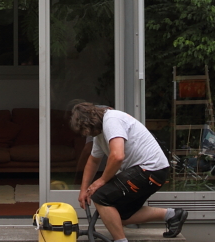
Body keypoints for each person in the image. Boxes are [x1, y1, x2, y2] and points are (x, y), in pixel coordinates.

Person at [70, 102, 187, 242]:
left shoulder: (111, 120)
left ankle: (120, 240)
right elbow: (93, 161)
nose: (87, 134)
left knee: (100, 196)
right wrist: (83, 189)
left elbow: (117, 156)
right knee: (120, 215)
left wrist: (101, 181)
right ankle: (172, 215)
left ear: (91, 120)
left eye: (86, 130)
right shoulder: (99, 135)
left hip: (149, 169)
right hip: (152, 171)